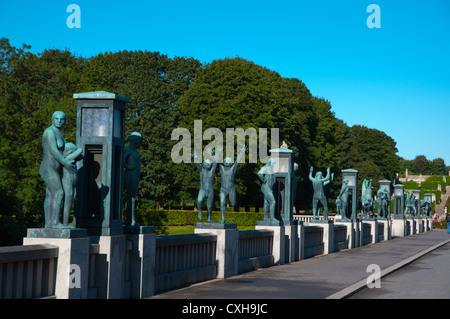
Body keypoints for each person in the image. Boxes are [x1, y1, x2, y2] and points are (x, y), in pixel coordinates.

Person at [40, 111, 76, 228]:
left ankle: (49, 224)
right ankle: (55, 223)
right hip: (48, 167)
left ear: (65, 121)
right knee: (59, 192)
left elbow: (63, 151)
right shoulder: (49, 132)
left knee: (50, 195)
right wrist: (66, 163)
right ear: (52, 119)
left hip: (56, 168)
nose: (59, 121)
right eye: (56, 119)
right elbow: (54, 151)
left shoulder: (59, 133)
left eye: (62, 119)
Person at [192, 146, 221, 222]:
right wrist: (195, 157)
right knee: (199, 201)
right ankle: (200, 211)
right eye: (206, 164)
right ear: (204, 165)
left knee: (209, 206)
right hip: (202, 190)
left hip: (210, 190)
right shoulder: (202, 171)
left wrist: (216, 154)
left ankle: (209, 218)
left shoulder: (212, 171)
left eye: (209, 164)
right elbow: (198, 165)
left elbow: (215, 163)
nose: (208, 165)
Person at [219, 145, 246, 223]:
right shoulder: (222, 169)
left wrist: (241, 153)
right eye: (225, 162)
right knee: (222, 202)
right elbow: (216, 162)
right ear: (224, 163)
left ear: (230, 163)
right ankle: (223, 218)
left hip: (231, 189)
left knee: (233, 203)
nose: (227, 163)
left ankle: (233, 203)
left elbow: (237, 161)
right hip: (223, 189)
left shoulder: (232, 169)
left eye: (228, 162)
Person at [123, 132, 143, 227]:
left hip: (134, 175)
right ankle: (131, 221)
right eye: (139, 139)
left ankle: (130, 220)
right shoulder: (129, 149)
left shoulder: (134, 149)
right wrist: (129, 167)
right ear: (135, 139)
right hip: (130, 174)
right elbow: (122, 160)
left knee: (132, 198)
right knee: (131, 198)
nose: (140, 142)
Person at [61, 142, 83, 227]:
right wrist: (77, 150)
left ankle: (66, 222)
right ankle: (65, 223)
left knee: (71, 200)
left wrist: (75, 151)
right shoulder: (68, 158)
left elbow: (81, 156)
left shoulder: (72, 159)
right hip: (68, 181)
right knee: (68, 198)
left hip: (72, 182)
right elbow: (80, 151)